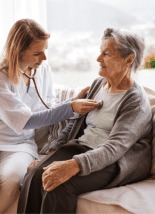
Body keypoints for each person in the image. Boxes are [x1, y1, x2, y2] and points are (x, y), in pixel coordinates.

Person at [0, 19, 100, 214]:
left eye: (45, 50)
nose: (44, 58)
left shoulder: (43, 70)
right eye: (37, 53)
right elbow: (27, 120)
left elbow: (47, 106)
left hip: (21, 142)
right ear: (17, 52)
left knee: (12, 182)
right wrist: (70, 107)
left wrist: (72, 103)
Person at [17, 28, 153, 214]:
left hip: (116, 161)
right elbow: (75, 124)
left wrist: (73, 165)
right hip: (83, 147)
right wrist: (51, 154)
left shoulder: (135, 101)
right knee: (34, 175)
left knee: (57, 184)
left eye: (106, 53)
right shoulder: (98, 84)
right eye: (100, 51)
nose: (98, 59)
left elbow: (115, 148)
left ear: (128, 60)